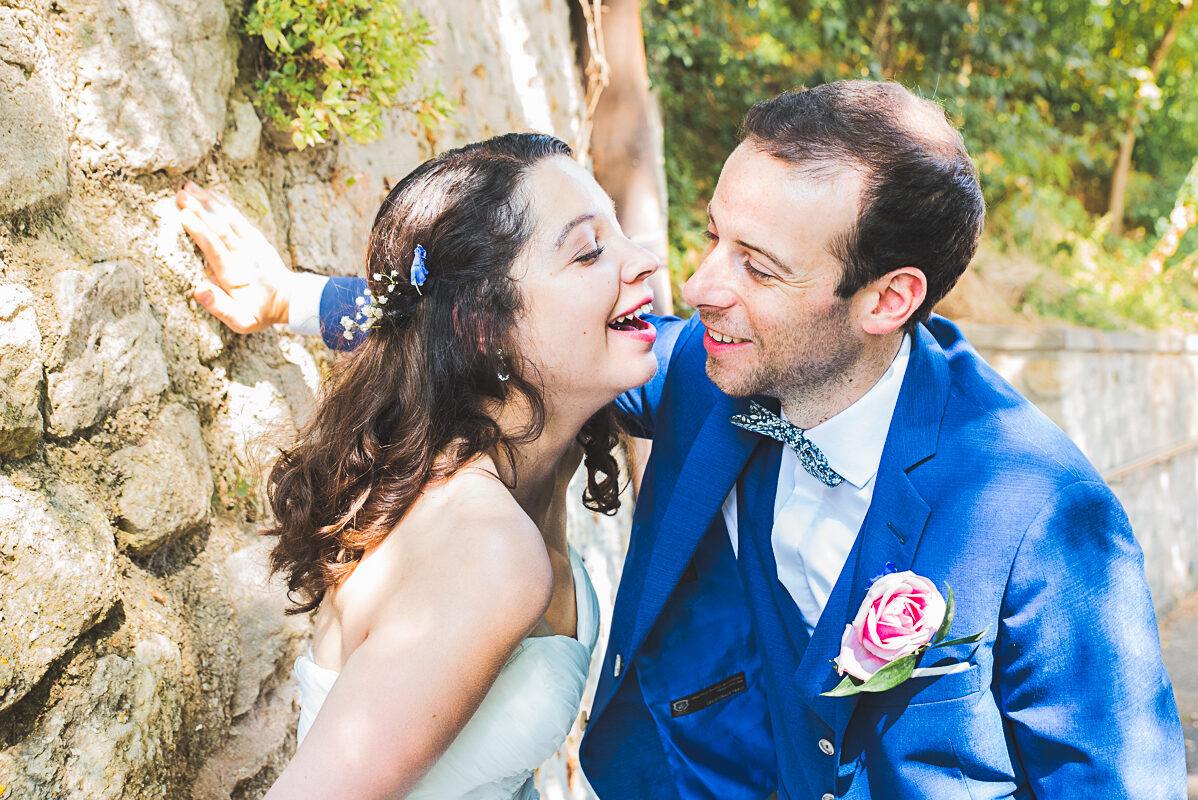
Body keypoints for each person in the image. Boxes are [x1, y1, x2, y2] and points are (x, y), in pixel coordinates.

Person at [178, 81, 1186, 800]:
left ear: (887, 297)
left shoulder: (1039, 511)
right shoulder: (713, 365)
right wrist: (296, 300)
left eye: (754, 261)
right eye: (714, 234)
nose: (698, 285)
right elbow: (500, 327)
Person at [199, 132, 662, 799]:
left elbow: (420, 319)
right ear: (483, 326)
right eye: (590, 251)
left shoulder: (527, 464)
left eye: (619, 236)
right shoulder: (487, 549)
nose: (642, 261)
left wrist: (290, 300)